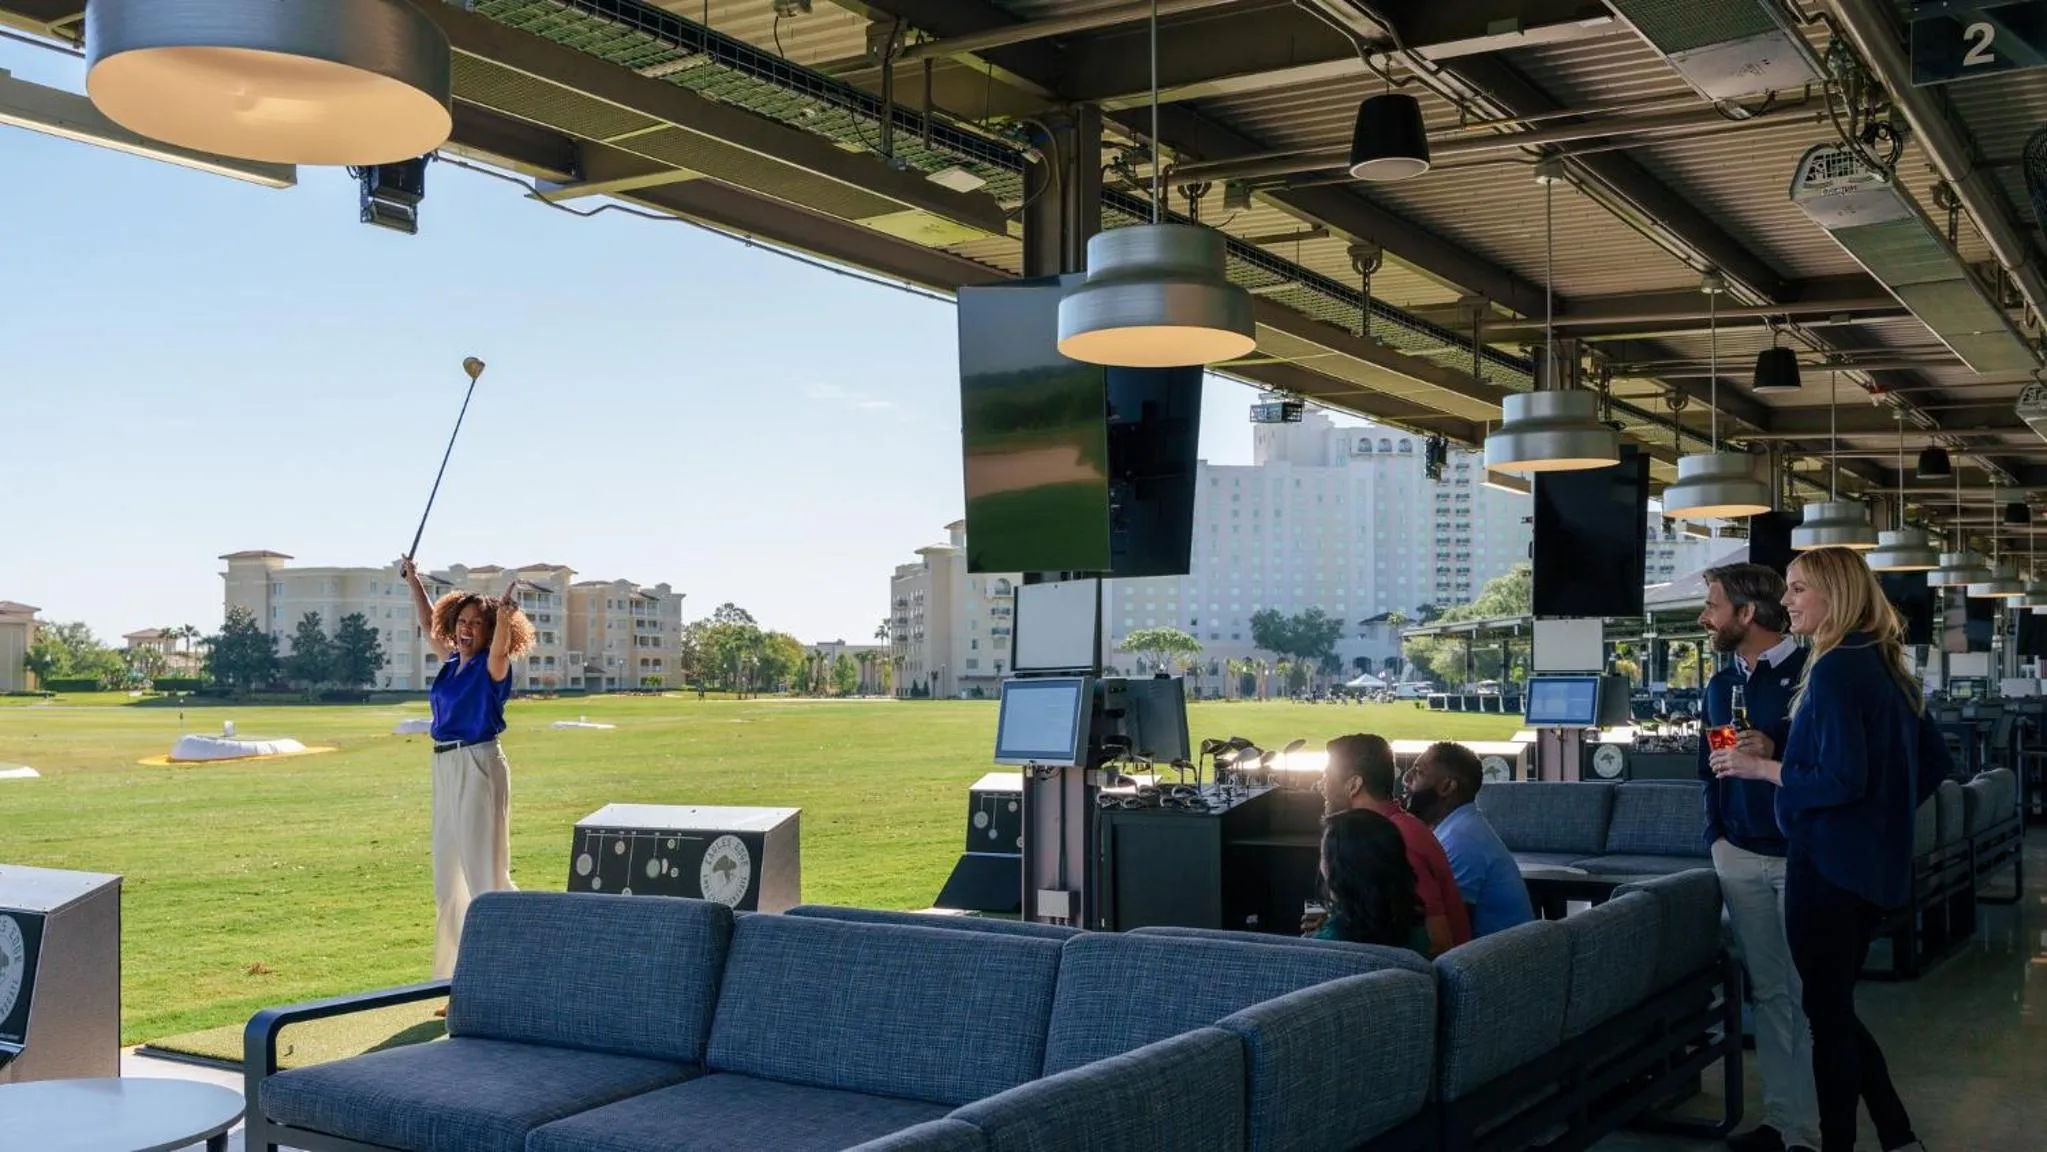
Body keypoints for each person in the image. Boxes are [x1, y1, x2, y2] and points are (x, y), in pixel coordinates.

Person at [1711, 547, 1947, 1152]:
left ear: (1833, 595)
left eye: (1796, 590)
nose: (1785, 602)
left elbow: (1840, 780)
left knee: (1826, 1019)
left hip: (1826, 869)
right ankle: (1896, 1134)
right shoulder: (1882, 661)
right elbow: (1933, 762)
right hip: (1865, 867)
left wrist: (1764, 767)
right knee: (1832, 1010)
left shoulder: (1838, 666)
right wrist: (1877, 820)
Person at [1697, 564, 1819, 1152]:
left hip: (1803, 858)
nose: (1705, 617)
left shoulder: (1815, 674)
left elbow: (1837, 764)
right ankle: (1784, 1122)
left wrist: (1779, 748)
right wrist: (1715, 837)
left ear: (1746, 614)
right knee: (1770, 993)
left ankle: (1813, 1129)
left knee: (1808, 995)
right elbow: (1710, 771)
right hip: (1738, 856)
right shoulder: (1720, 687)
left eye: (1714, 605)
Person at [401, 556, 535, 979]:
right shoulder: (449, 665)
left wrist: (505, 615)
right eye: (463, 620)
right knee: (448, 881)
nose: (467, 628)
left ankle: (512, 970)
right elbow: (427, 623)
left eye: (478, 623)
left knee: (485, 876)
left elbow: (498, 646)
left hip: (479, 763)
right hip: (445, 766)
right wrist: (414, 580)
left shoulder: (493, 666)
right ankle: (452, 982)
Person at [1314, 733, 1470, 954]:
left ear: (1354, 784)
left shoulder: (1396, 838)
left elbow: (1438, 943)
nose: (1321, 784)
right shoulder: (1386, 831)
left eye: (1327, 775)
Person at [1401, 741, 1534, 937]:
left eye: (1418, 772)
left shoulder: (1461, 840)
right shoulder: (1458, 827)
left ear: (1447, 786)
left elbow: (1451, 929)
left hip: (1498, 961)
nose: (1406, 778)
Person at [1308, 808, 1430, 955]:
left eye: (1323, 855)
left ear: (1343, 871)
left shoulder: (1326, 946)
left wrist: (1309, 941)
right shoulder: (1416, 932)